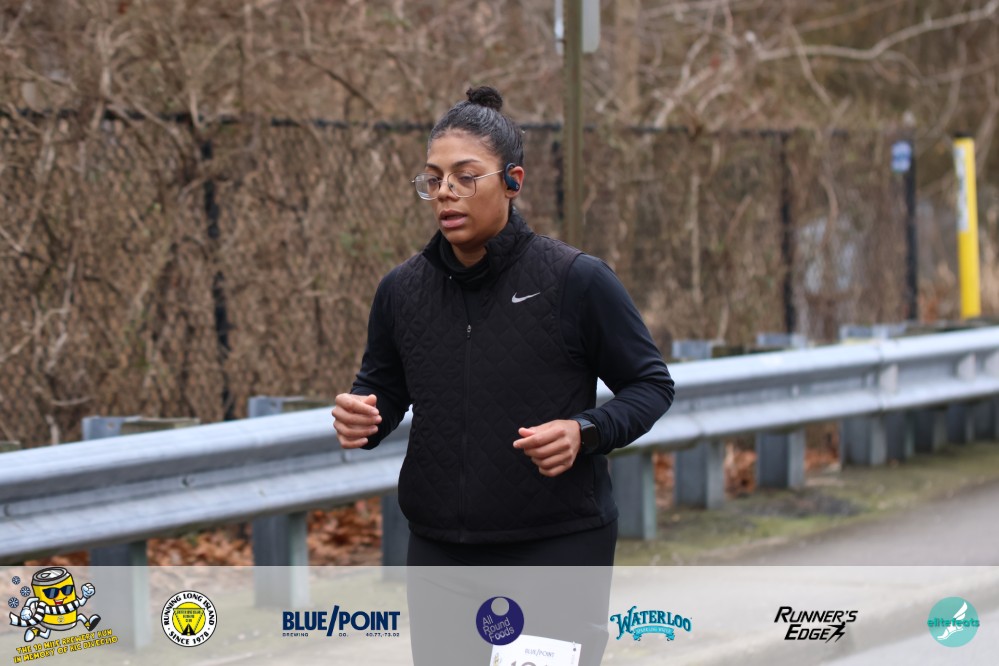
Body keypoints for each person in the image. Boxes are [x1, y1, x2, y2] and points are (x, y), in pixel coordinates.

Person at [332, 85, 674, 664]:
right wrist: (363, 415)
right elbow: (384, 389)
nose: (446, 192)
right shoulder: (401, 290)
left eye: (466, 177)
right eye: (434, 179)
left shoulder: (576, 280)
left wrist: (584, 430)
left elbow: (651, 385)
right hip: (441, 551)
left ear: (513, 181)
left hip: (556, 546)